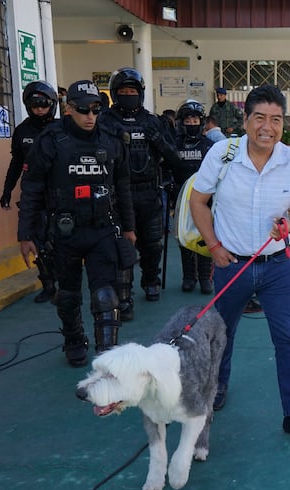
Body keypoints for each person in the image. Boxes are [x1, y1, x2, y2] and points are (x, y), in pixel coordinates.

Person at [188, 84, 290, 434]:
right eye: (260, 118)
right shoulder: (221, 154)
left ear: (284, 124)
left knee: (287, 338)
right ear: (246, 121)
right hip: (230, 264)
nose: (268, 127)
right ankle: (218, 386)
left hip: (277, 268)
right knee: (223, 334)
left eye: (276, 119)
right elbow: (198, 201)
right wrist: (214, 246)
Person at [17, 80, 135, 367]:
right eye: (83, 110)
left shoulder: (110, 139)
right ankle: (73, 339)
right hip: (64, 232)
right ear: (68, 109)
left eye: (95, 109)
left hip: (102, 229)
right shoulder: (50, 140)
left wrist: (129, 227)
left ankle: (108, 357)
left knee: (106, 296)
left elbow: (123, 186)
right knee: (67, 295)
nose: (90, 116)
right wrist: (26, 233)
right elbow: (31, 188)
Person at [98, 68, 174, 319]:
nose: (128, 95)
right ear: (115, 94)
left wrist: (158, 141)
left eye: (132, 92)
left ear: (140, 94)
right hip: (118, 196)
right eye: (123, 92)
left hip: (149, 193)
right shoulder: (105, 121)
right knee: (122, 247)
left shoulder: (153, 121)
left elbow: (173, 155)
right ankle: (124, 296)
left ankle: (151, 281)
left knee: (152, 245)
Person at [0, 80, 59, 304]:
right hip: (34, 195)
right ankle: (48, 284)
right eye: (35, 106)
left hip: (59, 193)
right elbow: (16, 163)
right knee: (37, 240)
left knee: (60, 240)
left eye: (44, 105)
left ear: (52, 105)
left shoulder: (60, 128)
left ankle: (65, 281)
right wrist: (7, 190)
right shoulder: (22, 131)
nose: (40, 110)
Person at [164, 100, 216, 293]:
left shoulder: (210, 146)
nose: (192, 123)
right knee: (184, 237)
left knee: (205, 235)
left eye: (195, 119)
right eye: (188, 119)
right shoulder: (174, 146)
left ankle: (205, 277)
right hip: (181, 200)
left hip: (205, 200)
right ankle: (189, 277)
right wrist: (168, 182)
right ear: (181, 122)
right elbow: (165, 167)